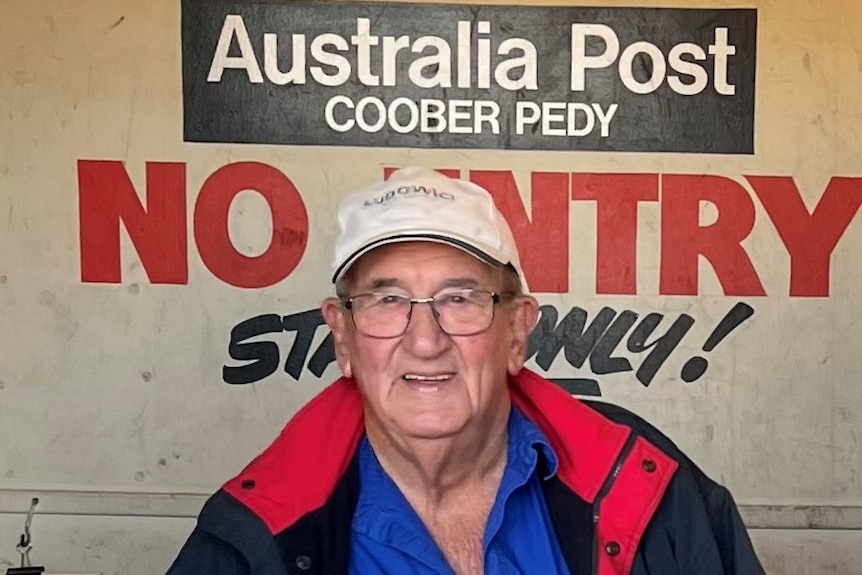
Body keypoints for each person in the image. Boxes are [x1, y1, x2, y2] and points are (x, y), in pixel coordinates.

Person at [167, 167, 765, 575]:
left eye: (460, 299)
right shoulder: (251, 534)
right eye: (386, 300)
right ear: (342, 337)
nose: (425, 342)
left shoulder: (646, 480)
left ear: (516, 331)